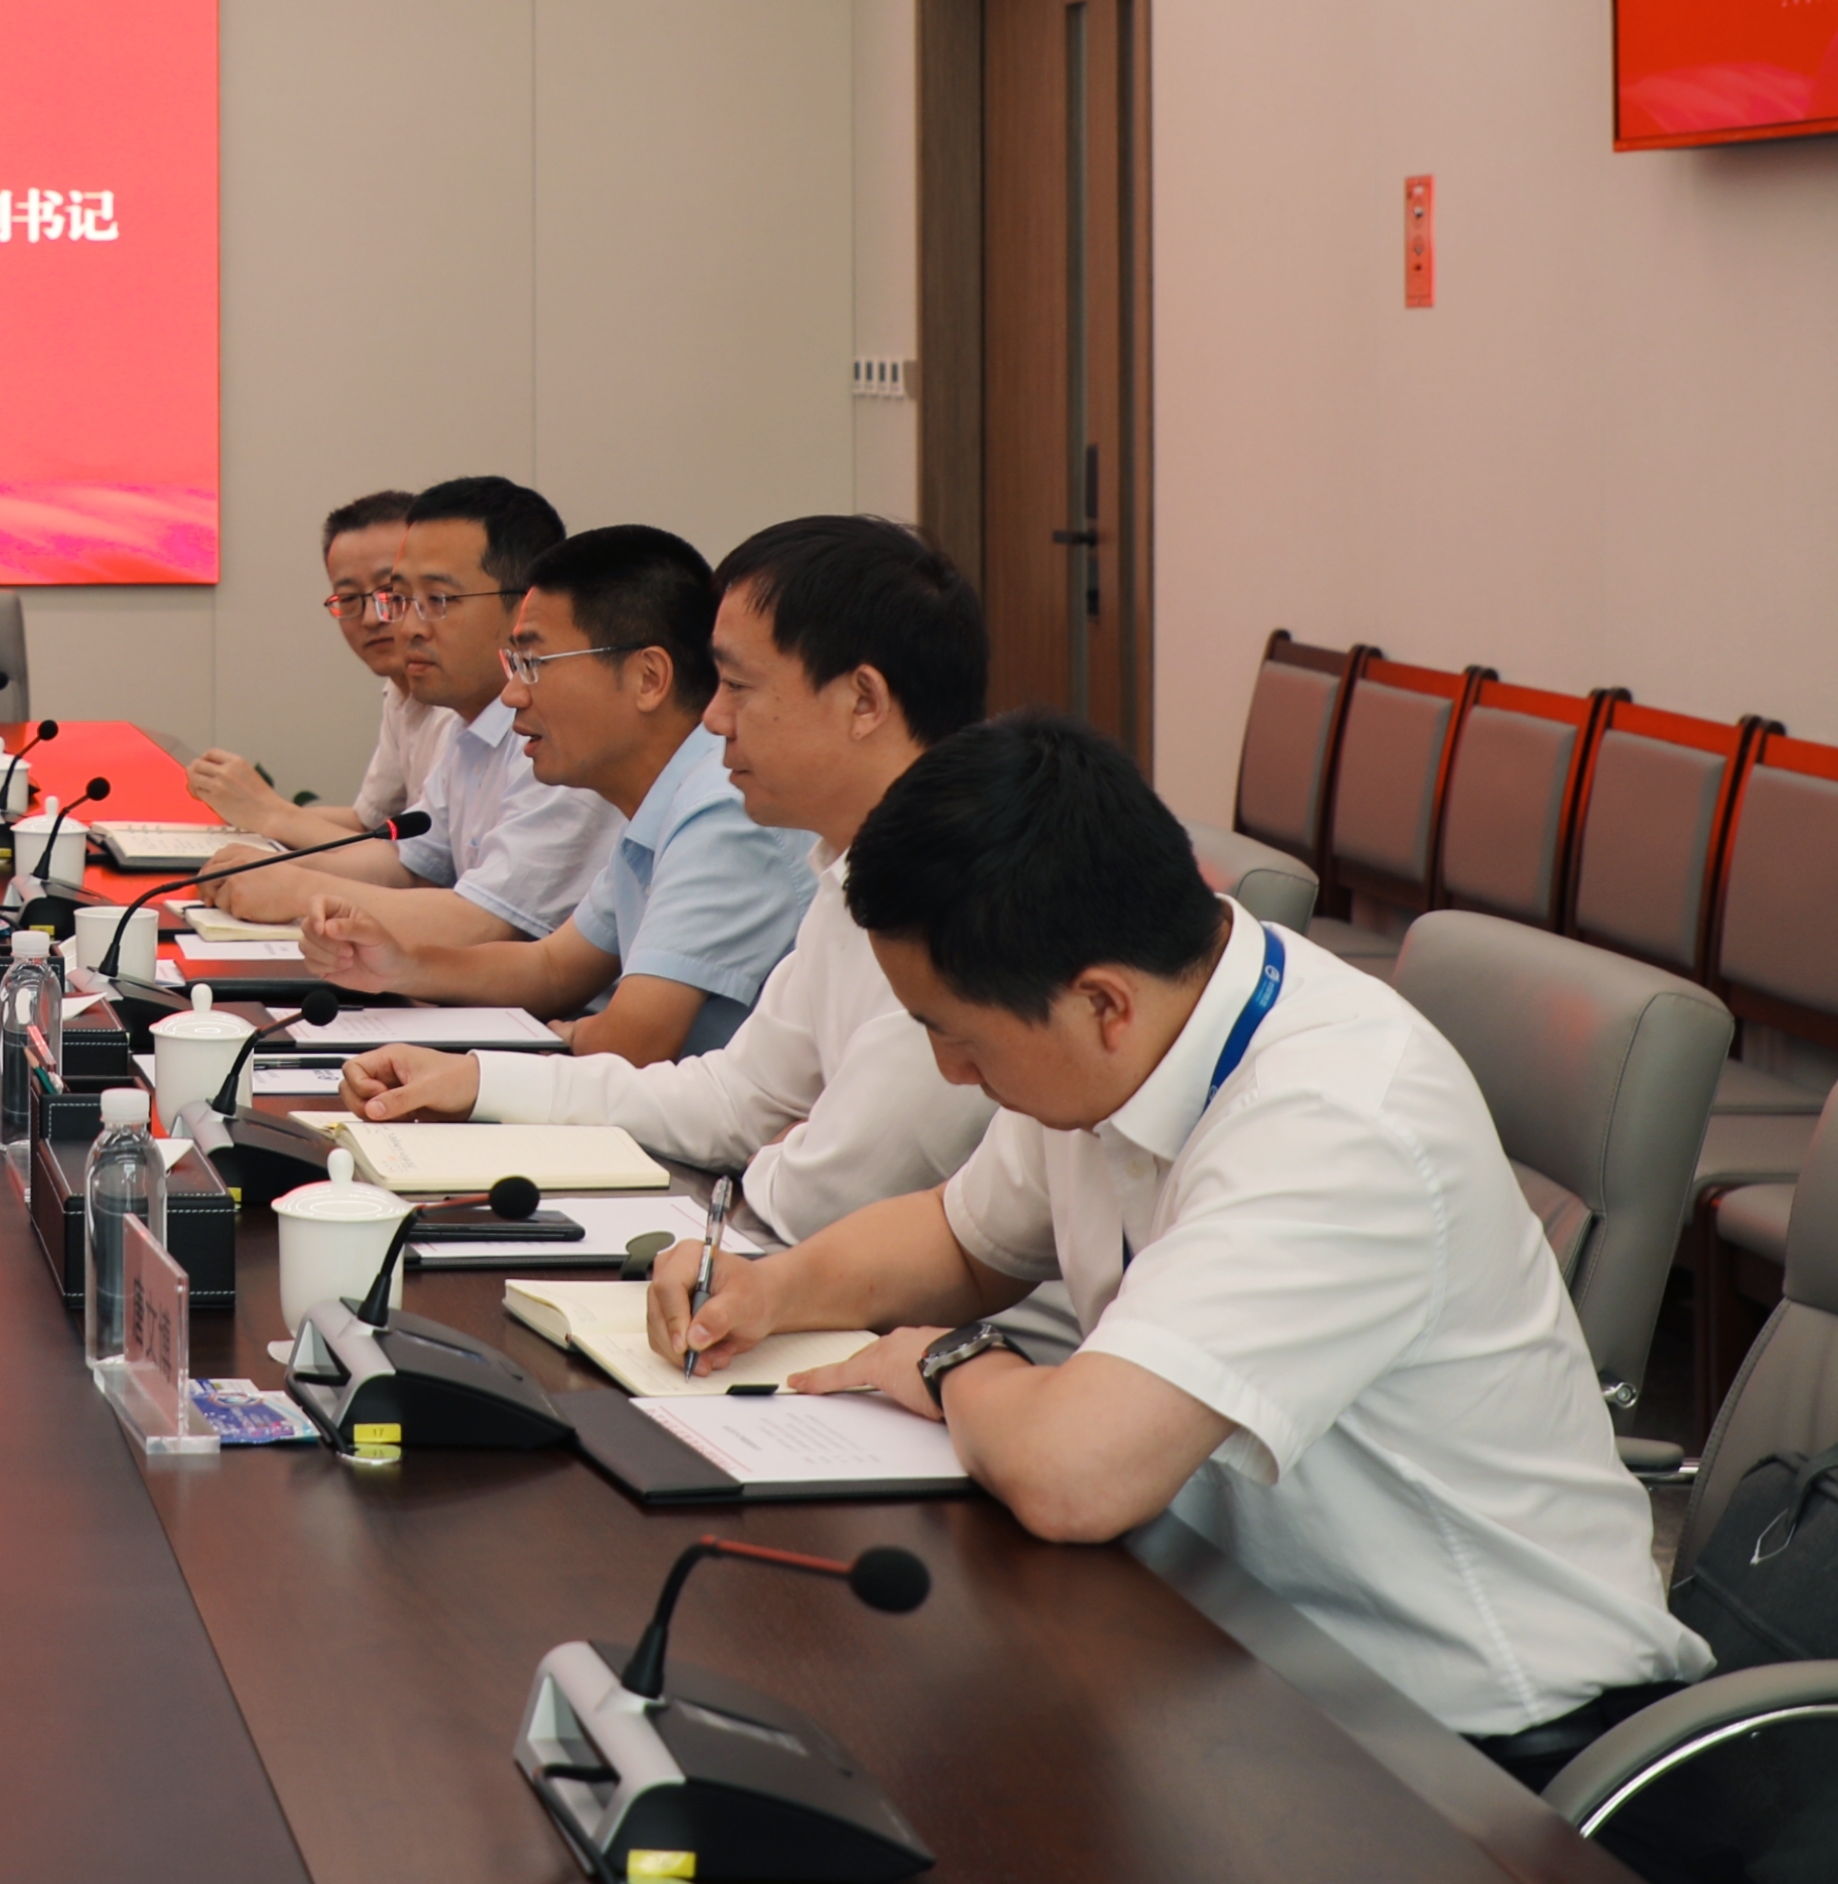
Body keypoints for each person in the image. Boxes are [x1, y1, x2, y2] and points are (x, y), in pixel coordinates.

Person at [655, 714, 1706, 1783]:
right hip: (1236, 1639)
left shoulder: (1336, 1118)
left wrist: (949, 1361)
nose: (949, 1071)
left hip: (1477, 1747)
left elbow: (1075, 1476)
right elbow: (964, 1238)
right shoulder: (1141, 1025)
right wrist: (770, 1287)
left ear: (1101, 1002)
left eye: (956, 1034)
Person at [341, 517, 1008, 1249]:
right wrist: (478, 1083)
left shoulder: (966, 899)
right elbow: (734, 1099)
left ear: (863, 702)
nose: (713, 718)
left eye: (738, 686)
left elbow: (823, 1196)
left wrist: (768, 1154)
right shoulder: (847, 873)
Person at [298, 523, 816, 1059]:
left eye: (533, 665)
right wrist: (398, 964)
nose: (513, 694)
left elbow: (632, 1044)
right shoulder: (659, 802)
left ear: (648, 678)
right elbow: (552, 968)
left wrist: (555, 1041)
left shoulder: (722, 810)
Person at [201, 477, 618, 946]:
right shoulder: (471, 724)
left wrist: (299, 890)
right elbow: (410, 864)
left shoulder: (567, 738)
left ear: (526, 607)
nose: (406, 627)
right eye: (400, 600)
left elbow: (492, 923)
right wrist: (271, 868)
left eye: (437, 601)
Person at [186, 491, 443, 837]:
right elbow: (369, 823)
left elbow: (416, 861)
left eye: (391, 594)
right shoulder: (400, 691)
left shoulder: (457, 703)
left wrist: (269, 812)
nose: (371, 618)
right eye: (349, 598)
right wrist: (248, 808)